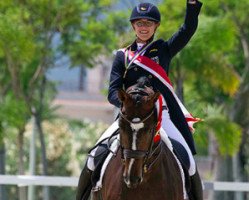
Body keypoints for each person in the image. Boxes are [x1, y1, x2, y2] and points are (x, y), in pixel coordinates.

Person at [76, 1, 203, 200]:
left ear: (156, 26)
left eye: (148, 23)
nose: (144, 27)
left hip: (160, 116)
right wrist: (128, 107)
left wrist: (192, 5)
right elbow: (112, 92)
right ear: (133, 26)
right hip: (129, 118)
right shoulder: (122, 56)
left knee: (189, 162)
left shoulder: (163, 50)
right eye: (139, 23)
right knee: (94, 157)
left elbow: (188, 29)